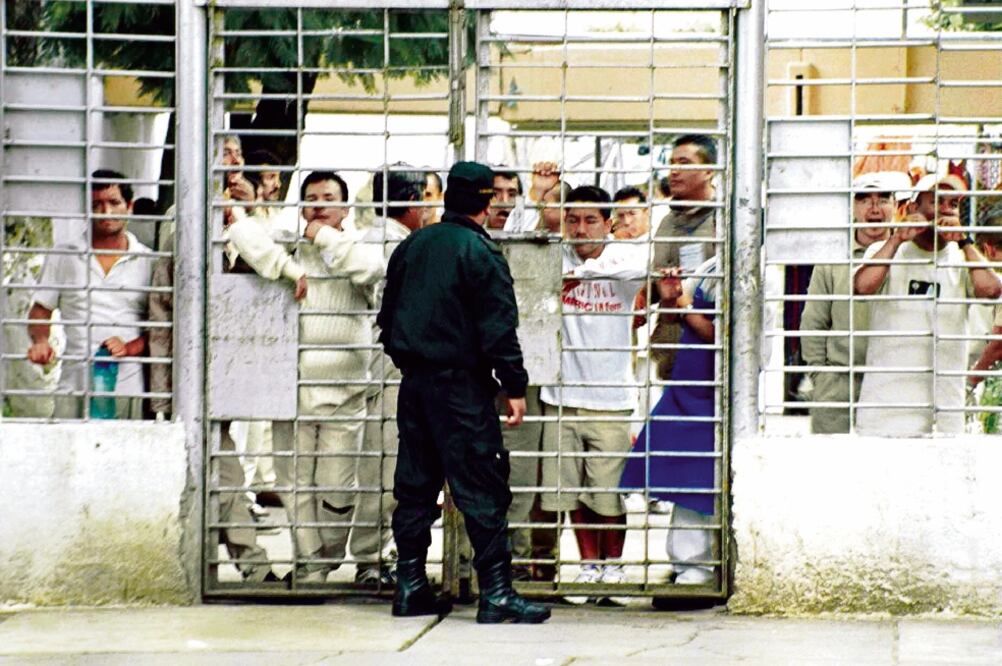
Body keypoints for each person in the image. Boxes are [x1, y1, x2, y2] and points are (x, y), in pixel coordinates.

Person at [378, 161, 550, 624]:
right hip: (462, 389)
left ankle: (410, 585)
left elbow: (387, 320)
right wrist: (513, 385)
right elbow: (498, 329)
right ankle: (496, 592)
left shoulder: (412, 246)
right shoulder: (481, 253)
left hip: (415, 385)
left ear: (448, 195)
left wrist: (415, 364)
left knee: (415, 488)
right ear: (487, 198)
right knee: (482, 488)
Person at [539, 185, 645, 602]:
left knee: (609, 494)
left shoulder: (625, 257)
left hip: (611, 400)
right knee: (574, 492)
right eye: (573, 220)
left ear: (608, 223)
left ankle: (613, 567)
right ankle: (588, 566)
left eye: (590, 220)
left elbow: (630, 275)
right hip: (561, 396)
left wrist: (581, 272)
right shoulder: (554, 256)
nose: (580, 229)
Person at [854, 173, 1001, 435]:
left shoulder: (962, 258)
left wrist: (964, 241)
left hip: (944, 411)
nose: (945, 210)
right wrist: (897, 238)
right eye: (936, 202)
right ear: (913, 208)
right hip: (885, 409)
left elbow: (991, 290)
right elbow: (863, 286)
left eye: (952, 204)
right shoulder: (885, 251)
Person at [621, 256, 720, 586]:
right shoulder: (709, 267)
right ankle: (684, 565)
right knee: (681, 479)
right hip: (686, 386)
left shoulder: (757, 271)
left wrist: (685, 305)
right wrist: (669, 298)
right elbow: (674, 319)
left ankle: (700, 568)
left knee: (701, 480)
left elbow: (730, 334)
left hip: (716, 393)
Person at [351, 166, 428, 588]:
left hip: (361, 363)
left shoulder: (364, 238)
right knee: (385, 468)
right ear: (413, 203)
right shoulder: (401, 246)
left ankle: (374, 553)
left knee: (374, 465)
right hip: (388, 367)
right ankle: (371, 558)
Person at [27, 170, 153, 419]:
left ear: (129, 207)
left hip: (127, 389)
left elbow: (162, 329)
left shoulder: (149, 260)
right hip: (74, 387)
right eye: (97, 204)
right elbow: (40, 311)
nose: (106, 212)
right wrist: (41, 341)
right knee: (68, 456)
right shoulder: (65, 254)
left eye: (114, 203)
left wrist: (129, 347)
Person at [799, 171, 910, 434]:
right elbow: (814, 321)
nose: (874, 207)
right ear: (852, 207)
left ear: (896, 206)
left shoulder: (910, 254)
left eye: (883, 199)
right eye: (864, 199)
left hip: (896, 383)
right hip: (839, 385)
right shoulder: (833, 258)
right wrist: (821, 376)